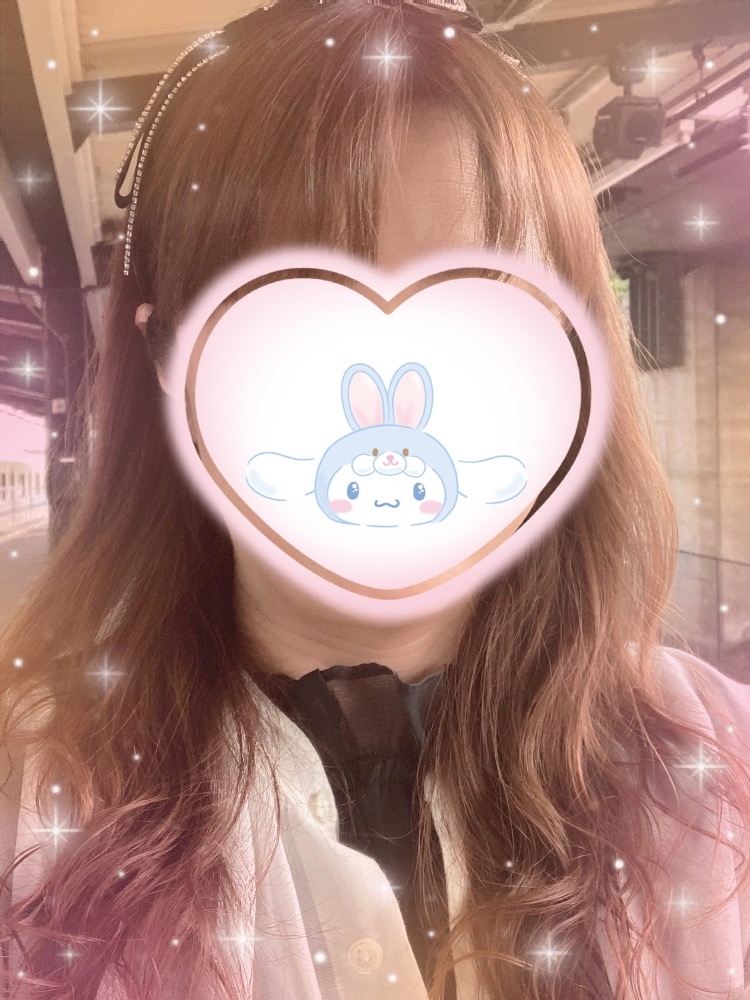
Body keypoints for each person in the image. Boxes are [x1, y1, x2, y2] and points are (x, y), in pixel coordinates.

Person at [2, 1, 750, 998]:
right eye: (295, 323)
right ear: (168, 357)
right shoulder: (31, 803)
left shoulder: (719, 769)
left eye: (479, 319)